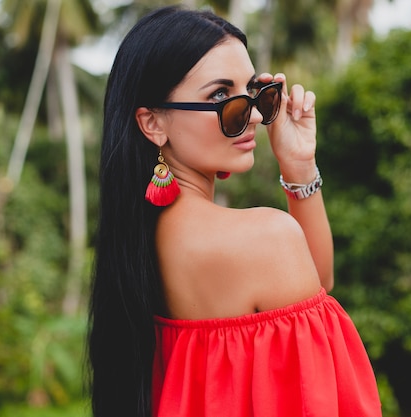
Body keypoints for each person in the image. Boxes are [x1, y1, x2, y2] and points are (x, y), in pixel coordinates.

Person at [88, 5, 382, 417]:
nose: (257, 114)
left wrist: (298, 166)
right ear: (153, 123)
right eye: (221, 96)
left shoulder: (134, 244)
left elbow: (317, 278)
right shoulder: (265, 238)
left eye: (253, 90)